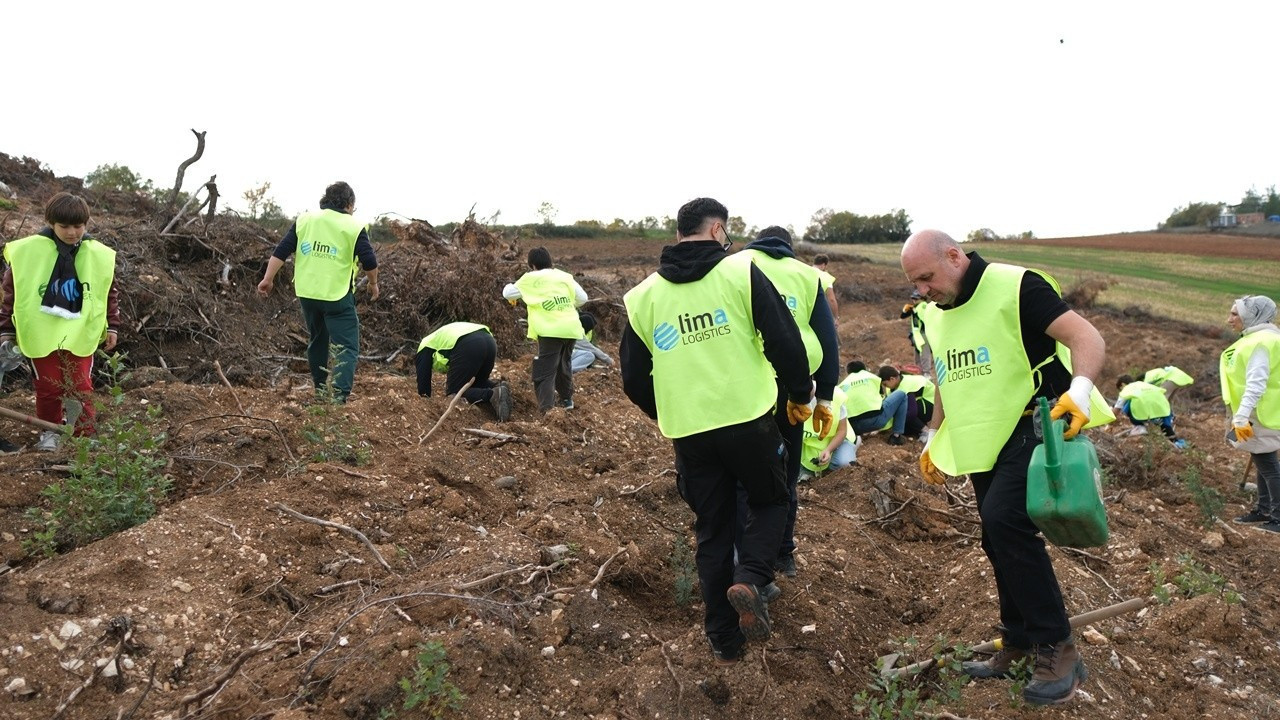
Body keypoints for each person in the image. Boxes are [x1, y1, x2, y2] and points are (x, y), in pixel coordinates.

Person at [901, 229, 1114, 706]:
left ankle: (1056, 647)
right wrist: (933, 437)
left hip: (1035, 422)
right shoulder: (934, 314)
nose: (922, 290)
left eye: (927, 277)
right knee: (994, 535)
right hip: (985, 435)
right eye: (915, 282)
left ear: (955, 256)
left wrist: (1078, 390)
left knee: (1006, 522)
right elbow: (945, 379)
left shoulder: (1015, 286)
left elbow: (1086, 336)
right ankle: (1018, 642)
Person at [621, 197, 814, 665]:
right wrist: (799, 395)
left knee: (712, 530)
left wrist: (670, 409)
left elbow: (632, 379)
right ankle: (749, 578)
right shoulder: (739, 273)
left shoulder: (643, 296)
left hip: (690, 432)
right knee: (770, 500)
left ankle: (723, 639)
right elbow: (785, 340)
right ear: (716, 231)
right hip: (748, 417)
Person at [730, 226, 840, 577]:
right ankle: (782, 554)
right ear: (789, 248)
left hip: (746, 386)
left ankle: (743, 552)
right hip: (794, 389)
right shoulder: (808, 276)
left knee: (743, 472)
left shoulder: (733, 266)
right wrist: (825, 395)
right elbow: (827, 336)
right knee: (786, 473)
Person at [0, 192, 120, 451]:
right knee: (47, 386)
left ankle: (83, 435)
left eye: (78, 226)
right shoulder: (27, 252)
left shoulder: (97, 254)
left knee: (81, 386)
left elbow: (107, 289)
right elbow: (12, 291)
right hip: (40, 331)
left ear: (87, 223)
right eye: (64, 226)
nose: (72, 232)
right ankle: (50, 432)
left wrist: (112, 325)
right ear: (50, 222)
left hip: (80, 332)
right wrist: (6, 330)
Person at [257, 181, 379, 403]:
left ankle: (321, 391)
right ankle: (338, 399)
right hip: (337, 296)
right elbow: (369, 261)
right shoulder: (353, 226)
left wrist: (268, 279)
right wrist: (373, 283)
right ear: (350, 204)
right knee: (347, 347)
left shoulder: (306, 220)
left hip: (307, 293)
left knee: (318, 340)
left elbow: (282, 250)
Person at [1221, 295, 1280, 532]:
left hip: (1260, 413)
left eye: (1235, 313)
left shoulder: (1261, 342)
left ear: (1251, 315)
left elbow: (1257, 383)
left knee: (1267, 464)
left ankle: (1277, 517)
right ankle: (1265, 510)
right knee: (1262, 460)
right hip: (1260, 411)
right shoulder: (1261, 339)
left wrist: (1241, 416)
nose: (1230, 319)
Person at [502, 247, 587, 412]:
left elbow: (508, 294)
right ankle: (567, 401)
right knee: (564, 365)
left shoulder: (530, 278)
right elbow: (583, 298)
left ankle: (547, 410)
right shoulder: (564, 276)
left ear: (532, 265)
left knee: (546, 371)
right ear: (550, 261)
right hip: (571, 327)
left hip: (549, 330)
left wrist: (509, 284)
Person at [416, 322, 511, 421]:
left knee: (455, 392)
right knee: (478, 382)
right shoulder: (436, 338)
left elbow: (423, 386)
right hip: (489, 341)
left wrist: (425, 404)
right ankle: (498, 387)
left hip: (469, 344)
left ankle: (492, 394)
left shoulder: (424, 347)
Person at [840, 360, 908, 444]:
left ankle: (856, 437)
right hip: (876, 421)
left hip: (852, 427)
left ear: (848, 373)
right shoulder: (872, 378)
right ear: (864, 370)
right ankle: (896, 436)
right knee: (901, 394)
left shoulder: (842, 385)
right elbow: (881, 399)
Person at [1113, 375, 1186, 448]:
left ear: (1122, 384)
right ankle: (1175, 441)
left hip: (1144, 414)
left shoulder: (1127, 389)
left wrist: (1107, 421)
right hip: (1164, 409)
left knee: (1127, 404)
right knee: (1165, 426)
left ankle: (1140, 426)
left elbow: (1116, 411)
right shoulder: (1145, 384)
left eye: (1120, 389)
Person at [799, 385, 850, 481]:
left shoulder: (836, 396)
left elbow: (842, 430)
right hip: (808, 448)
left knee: (844, 463)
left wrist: (828, 450)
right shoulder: (792, 399)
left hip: (837, 442)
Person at [879, 365, 936, 438]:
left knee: (904, 412)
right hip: (918, 402)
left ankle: (926, 431)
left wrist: (895, 422)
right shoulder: (892, 387)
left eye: (885, 384)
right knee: (905, 429)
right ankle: (919, 427)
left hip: (931, 403)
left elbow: (912, 413)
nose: (885, 387)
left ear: (892, 379)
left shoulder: (906, 385)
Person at [900, 290, 933, 373]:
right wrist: (905, 310)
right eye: (913, 298)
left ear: (922, 299)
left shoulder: (923, 306)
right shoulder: (916, 307)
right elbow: (902, 316)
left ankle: (926, 373)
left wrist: (914, 311)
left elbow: (926, 319)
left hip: (922, 334)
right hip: (916, 335)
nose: (914, 300)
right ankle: (920, 373)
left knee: (925, 354)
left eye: (916, 298)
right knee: (918, 357)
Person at [811, 254, 838, 319]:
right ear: (823, 265)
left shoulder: (803, 271)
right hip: (817, 312)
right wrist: (835, 317)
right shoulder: (826, 277)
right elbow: (831, 300)